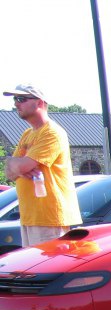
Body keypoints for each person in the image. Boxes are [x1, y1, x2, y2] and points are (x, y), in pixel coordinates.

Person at [2, 83, 81, 246]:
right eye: (16, 99)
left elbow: (20, 167)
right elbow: (9, 172)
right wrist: (17, 164)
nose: (16, 103)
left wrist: (20, 166)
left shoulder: (52, 132)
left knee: (49, 269)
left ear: (39, 103)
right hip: (29, 217)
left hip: (49, 218)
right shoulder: (27, 134)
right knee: (31, 270)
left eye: (21, 99)